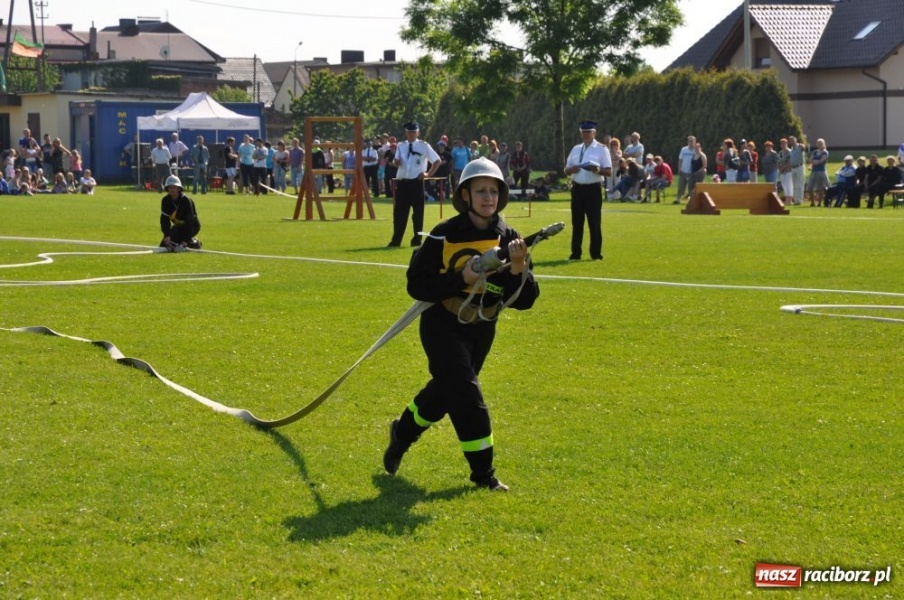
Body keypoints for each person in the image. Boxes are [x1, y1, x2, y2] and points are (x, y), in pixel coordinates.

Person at [382, 157, 539, 492]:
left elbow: (526, 300)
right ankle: (484, 475)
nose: (488, 197)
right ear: (465, 195)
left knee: (444, 394)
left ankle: (402, 433)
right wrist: (461, 277)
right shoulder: (443, 235)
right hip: (442, 324)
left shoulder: (511, 239)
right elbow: (416, 285)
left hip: (482, 329)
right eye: (480, 190)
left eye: (493, 191)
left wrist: (516, 267)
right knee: (467, 393)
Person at [565, 120, 612, 261]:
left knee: (594, 223)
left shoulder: (601, 149)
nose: (585, 135)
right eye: (583, 132)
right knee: (577, 223)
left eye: (588, 132)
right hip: (577, 188)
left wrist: (598, 170)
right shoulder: (576, 149)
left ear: (594, 133)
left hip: (593, 189)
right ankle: (575, 253)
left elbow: (608, 171)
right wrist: (571, 170)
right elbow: (566, 169)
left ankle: (596, 253)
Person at [389, 121, 441, 247]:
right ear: (406, 133)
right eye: (409, 132)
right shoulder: (401, 146)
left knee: (418, 214)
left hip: (416, 183)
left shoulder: (423, 146)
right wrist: (395, 162)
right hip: (403, 183)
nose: (411, 134)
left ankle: (417, 240)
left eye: (414, 132)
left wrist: (428, 174)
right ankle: (396, 240)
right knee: (399, 214)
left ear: (418, 132)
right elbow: (396, 162)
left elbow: (437, 160)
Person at [159, 175, 201, 251]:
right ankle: (182, 242)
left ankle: (194, 243)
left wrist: (184, 241)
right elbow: (164, 219)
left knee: (178, 246)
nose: (172, 190)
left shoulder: (186, 201)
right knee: (163, 245)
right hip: (179, 226)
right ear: (167, 189)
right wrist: (166, 235)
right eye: (170, 187)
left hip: (192, 227)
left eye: (174, 187)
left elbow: (190, 222)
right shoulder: (165, 200)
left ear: (178, 188)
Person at [806, 138, 829, 206]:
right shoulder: (815, 152)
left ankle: (819, 203)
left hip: (821, 172)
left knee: (820, 188)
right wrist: (814, 162)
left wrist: (814, 161)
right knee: (809, 187)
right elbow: (810, 160)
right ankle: (812, 202)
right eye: (818, 143)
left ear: (823, 144)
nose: (819, 145)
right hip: (813, 171)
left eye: (820, 143)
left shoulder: (825, 152)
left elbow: (821, 161)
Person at [674, 136, 696, 205]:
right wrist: (679, 168)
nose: (690, 142)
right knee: (681, 186)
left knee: (691, 187)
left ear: (694, 142)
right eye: (689, 141)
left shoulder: (696, 150)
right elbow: (680, 159)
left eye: (692, 141)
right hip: (683, 171)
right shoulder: (684, 149)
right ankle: (678, 199)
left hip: (691, 172)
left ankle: (691, 200)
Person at [788, 135, 806, 206]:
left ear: (796, 140)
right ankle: (796, 200)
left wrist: (802, 145)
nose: (791, 141)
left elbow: (803, 148)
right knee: (794, 185)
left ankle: (800, 200)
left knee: (800, 184)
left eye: (793, 140)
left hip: (800, 167)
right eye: (790, 140)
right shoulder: (791, 149)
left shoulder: (799, 147)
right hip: (793, 168)